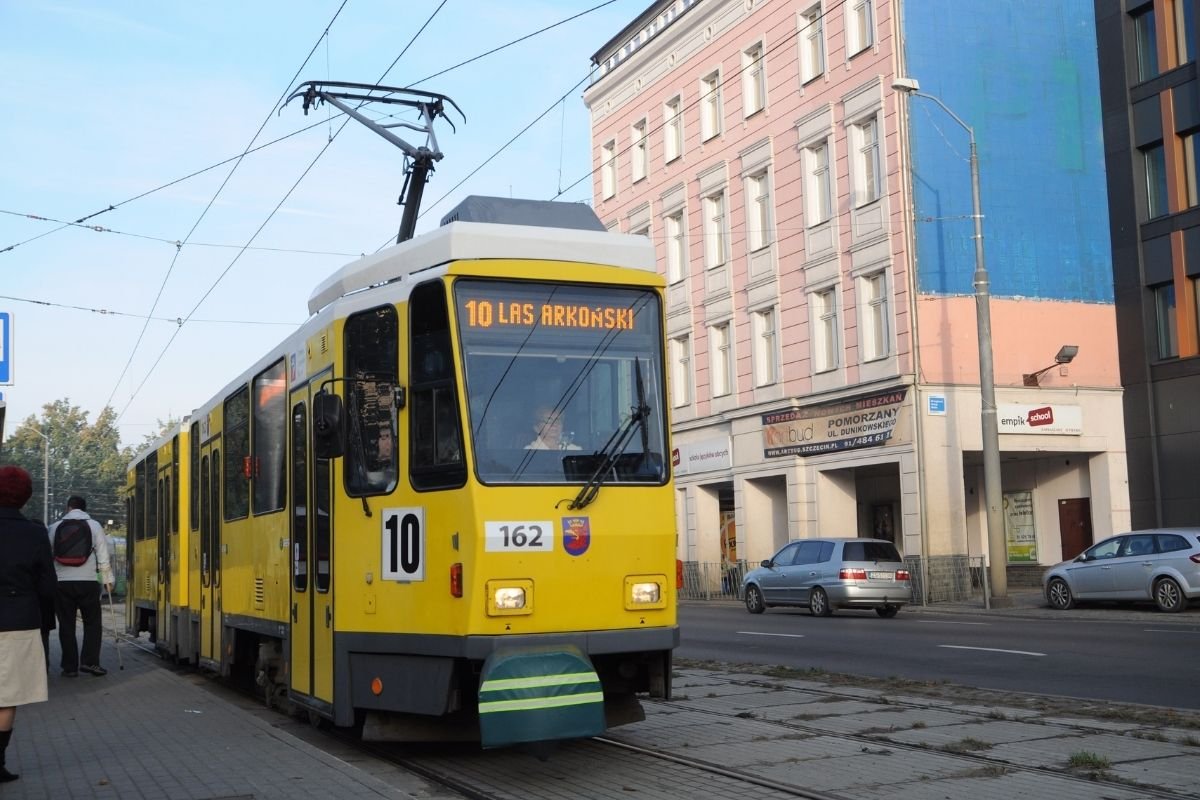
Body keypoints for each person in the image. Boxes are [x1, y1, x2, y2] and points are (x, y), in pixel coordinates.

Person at [0, 465, 57, 783]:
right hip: (17, 623)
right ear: (24, 496)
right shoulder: (35, 534)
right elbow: (48, 587)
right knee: (6, 697)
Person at [47, 496, 112, 678]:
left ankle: (70, 667)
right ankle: (90, 662)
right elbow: (103, 555)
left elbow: (48, 554)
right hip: (88, 581)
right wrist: (108, 580)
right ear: (85, 508)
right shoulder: (95, 526)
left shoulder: (54, 527)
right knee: (92, 623)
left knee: (66, 625)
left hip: (62, 582)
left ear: (68, 508)